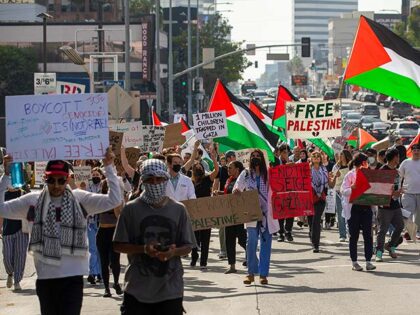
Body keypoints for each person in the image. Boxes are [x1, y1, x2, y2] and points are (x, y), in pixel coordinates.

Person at [0, 149, 121, 315]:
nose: (56, 185)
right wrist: (6, 174)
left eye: (61, 180)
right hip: (45, 278)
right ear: (45, 178)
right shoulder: (32, 201)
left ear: (68, 179)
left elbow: (114, 200)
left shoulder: (80, 199)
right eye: (51, 180)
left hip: (73, 277)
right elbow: (1, 209)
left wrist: (108, 166)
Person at [113, 159, 194, 315]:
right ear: (142, 181)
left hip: (171, 291)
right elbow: (118, 245)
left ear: (166, 179)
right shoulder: (131, 209)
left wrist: (173, 252)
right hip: (137, 290)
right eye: (150, 179)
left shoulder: (179, 210)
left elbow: (188, 246)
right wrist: (143, 249)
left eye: (159, 179)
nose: (155, 183)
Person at [233, 149, 279, 285]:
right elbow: (237, 187)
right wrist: (236, 190)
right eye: (253, 156)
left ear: (263, 158)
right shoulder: (245, 173)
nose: (255, 158)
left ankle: (263, 274)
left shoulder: (270, 173)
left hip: (267, 213)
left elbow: (278, 189)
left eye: (258, 156)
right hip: (251, 212)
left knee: (265, 243)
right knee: (251, 241)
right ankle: (250, 273)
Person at [341, 153, 376, 272]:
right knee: (354, 236)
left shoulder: (370, 175)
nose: (367, 164)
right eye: (365, 162)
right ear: (360, 163)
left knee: (368, 235)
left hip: (367, 209)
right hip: (354, 209)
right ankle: (354, 262)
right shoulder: (350, 175)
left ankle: (368, 261)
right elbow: (343, 191)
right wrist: (353, 188)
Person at [190, 149, 219, 269]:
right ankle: (194, 255)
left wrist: (213, 158)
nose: (198, 169)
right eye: (196, 168)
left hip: (206, 212)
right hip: (194, 213)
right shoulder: (190, 182)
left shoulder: (208, 179)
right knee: (194, 238)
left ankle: (203, 262)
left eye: (200, 167)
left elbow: (217, 171)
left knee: (206, 238)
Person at [216, 160, 247, 274]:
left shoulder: (244, 181)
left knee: (242, 239)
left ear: (237, 169)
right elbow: (228, 194)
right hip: (229, 214)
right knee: (229, 240)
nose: (228, 169)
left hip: (240, 215)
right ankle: (232, 266)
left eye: (230, 167)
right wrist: (219, 193)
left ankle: (251, 255)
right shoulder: (229, 180)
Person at [375, 149, 404, 262]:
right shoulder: (382, 170)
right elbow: (379, 188)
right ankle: (379, 252)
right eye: (397, 156)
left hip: (395, 204)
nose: (399, 159)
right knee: (383, 230)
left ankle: (391, 246)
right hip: (384, 206)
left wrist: (399, 191)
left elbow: (396, 186)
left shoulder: (397, 172)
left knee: (400, 226)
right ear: (393, 158)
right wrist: (393, 193)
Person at [96, 179, 124, 297]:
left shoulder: (119, 200)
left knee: (115, 261)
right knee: (104, 261)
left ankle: (116, 283)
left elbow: (119, 216)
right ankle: (107, 288)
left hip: (114, 231)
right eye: (108, 186)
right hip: (102, 231)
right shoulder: (100, 199)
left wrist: (116, 203)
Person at [1, 186, 29, 291]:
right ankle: (9, 273)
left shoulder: (24, 194)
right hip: (7, 230)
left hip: (22, 230)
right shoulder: (3, 194)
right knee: (7, 257)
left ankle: (17, 281)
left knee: (20, 257)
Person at [213, 150, 236, 260]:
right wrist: (214, 195)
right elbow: (216, 182)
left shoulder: (240, 170)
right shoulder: (222, 170)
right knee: (222, 226)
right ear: (229, 158)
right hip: (223, 200)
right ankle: (223, 249)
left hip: (237, 201)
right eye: (233, 156)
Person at [308, 151, 333, 252]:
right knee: (311, 221)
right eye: (314, 156)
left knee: (316, 220)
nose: (317, 158)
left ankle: (316, 244)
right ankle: (311, 235)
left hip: (321, 198)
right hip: (310, 198)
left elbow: (330, 184)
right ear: (311, 158)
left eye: (318, 156)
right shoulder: (308, 169)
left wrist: (333, 177)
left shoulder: (324, 170)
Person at [86, 166, 104, 285]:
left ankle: (101, 274)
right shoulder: (87, 187)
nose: (95, 177)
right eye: (93, 175)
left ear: (101, 176)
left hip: (102, 222)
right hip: (90, 222)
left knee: (100, 249)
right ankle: (92, 273)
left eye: (97, 175)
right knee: (92, 248)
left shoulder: (105, 186)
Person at [330, 150, 352, 242]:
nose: (340, 156)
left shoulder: (351, 166)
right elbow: (332, 178)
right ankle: (342, 234)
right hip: (339, 192)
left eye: (342, 154)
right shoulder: (336, 166)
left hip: (349, 192)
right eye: (340, 154)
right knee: (340, 213)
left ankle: (351, 232)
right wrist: (336, 175)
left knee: (350, 213)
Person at [399, 143, 420, 236]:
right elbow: (399, 176)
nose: (416, 152)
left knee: (419, 215)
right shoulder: (405, 162)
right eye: (414, 150)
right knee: (408, 213)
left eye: (418, 150)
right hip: (408, 193)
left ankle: (417, 232)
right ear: (411, 152)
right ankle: (410, 232)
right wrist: (399, 188)